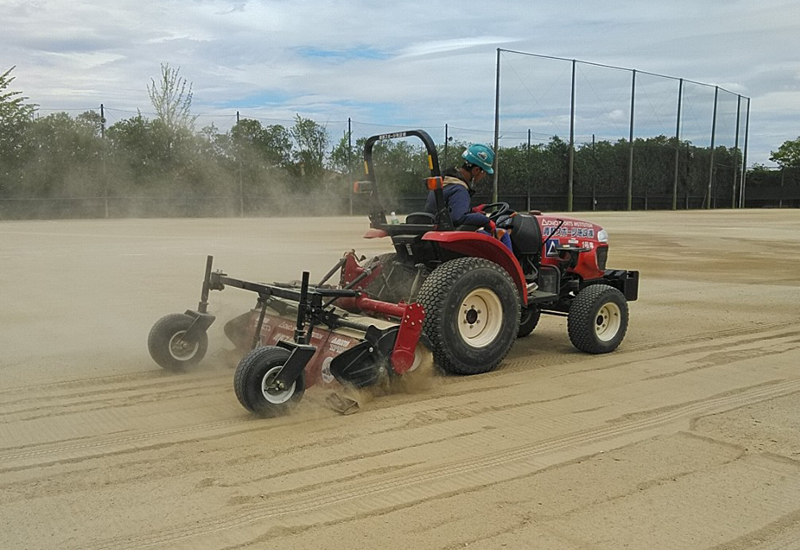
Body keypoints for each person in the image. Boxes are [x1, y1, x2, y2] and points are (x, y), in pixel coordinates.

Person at [424, 144, 513, 250]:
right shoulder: (459, 189)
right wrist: (486, 220)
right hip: (450, 237)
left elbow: (448, 210)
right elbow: (458, 218)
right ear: (476, 170)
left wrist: (472, 210)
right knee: (503, 234)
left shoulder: (444, 184)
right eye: (483, 172)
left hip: (437, 231)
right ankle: (508, 266)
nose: (483, 176)